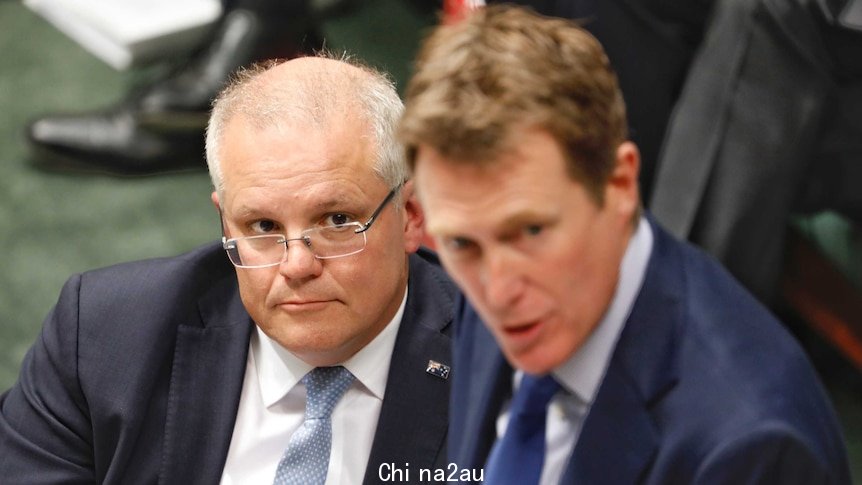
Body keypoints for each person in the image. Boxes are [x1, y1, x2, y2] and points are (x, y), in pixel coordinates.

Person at [398, 6, 851, 484]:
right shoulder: (489, 265)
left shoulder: (752, 451)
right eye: (461, 244)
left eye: (531, 232)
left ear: (619, 182)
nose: (497, 291)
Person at [0, 54, 456, 483]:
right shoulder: (101, 337)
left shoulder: (502, 362)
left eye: (337, 221)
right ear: (225, 222)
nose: (297, 264)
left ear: (411, 214)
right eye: (262, 225)